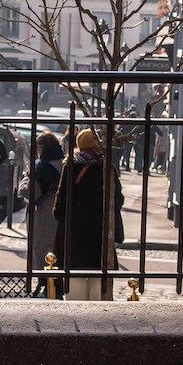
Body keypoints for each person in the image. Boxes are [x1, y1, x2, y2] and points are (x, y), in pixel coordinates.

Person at [54, 128, 123, 300]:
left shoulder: (71, 165)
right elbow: (118, 199)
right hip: (100, 232)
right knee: (99, 283)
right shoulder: (107, 165)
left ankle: (77, 320)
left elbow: (60, 205)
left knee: (75, 281)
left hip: (76, 233)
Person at [26, 132, 64, 282]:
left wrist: (25, 180)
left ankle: (44, 284)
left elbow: (31, 192)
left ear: (42, 148)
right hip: (63, 211)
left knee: (42, 248)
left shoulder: (42, 167)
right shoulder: (65, 162)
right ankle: (58, 281)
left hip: (46, 212)